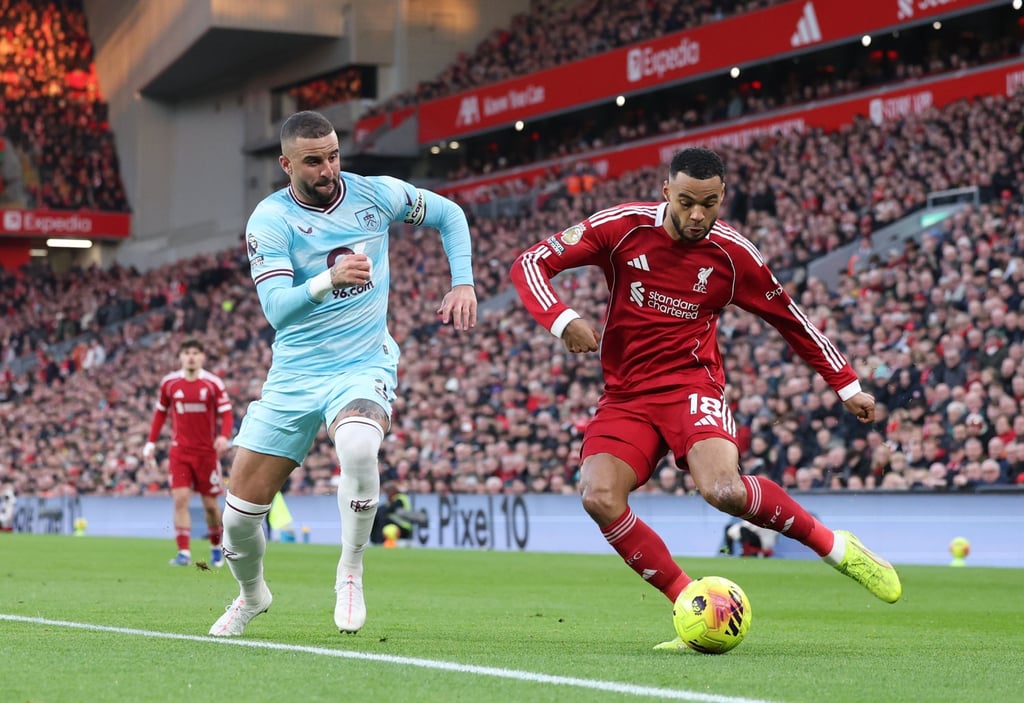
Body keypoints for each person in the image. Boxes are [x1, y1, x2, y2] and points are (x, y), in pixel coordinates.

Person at [509, 147, 902, 650]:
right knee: (599, 497)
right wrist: (563, 320)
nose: (698, 215)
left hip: (690, 384)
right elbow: (531, 262)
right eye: (688, 202)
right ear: (666, 192)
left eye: (710, 204)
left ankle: (837, 548)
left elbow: (792, 319)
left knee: (724, 490)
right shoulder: (623, 228)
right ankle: (689, 605)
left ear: (722, 198)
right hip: (626, 395)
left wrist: (846, 385)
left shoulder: (734, 255)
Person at [209, 110, 476, 637]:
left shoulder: (376, 194)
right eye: (313, 160)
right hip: (294, 375)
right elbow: (276, 311)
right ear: (287, 164)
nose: (328, 168)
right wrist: (327, 280)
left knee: (358, 447)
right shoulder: (270, 220)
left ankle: (350, 570)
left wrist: (462, 282)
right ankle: (251, 594)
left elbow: (450, 215)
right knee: (239, 520)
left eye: (333, 155)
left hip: (362, 363)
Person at [143, 338, 233, 567]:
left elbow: (227, 413)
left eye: (195, 352)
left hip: (206, 454)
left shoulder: (213, 383)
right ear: (180, 357)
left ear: (202, 356)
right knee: (180, 500)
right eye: (186, 353)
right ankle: (184, 552)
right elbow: (160, 414)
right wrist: (151, 442)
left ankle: (215, 547)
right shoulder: (170, 383)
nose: (191, 357)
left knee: (211, 506)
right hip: (180, 453)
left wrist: (223, 436)